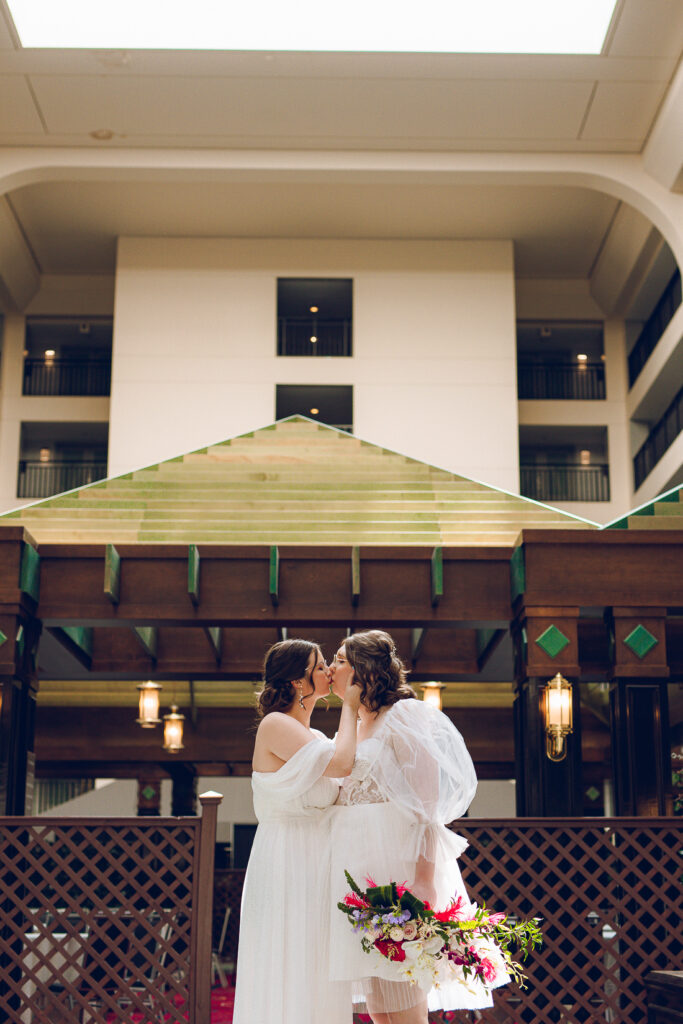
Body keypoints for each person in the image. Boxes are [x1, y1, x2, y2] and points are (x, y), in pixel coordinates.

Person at [329, 629, 504, 1024]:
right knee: (379, 1005)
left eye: (340, 659)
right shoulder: (354, 724)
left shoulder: (404, 715)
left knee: (406, 994)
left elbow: (428, 804)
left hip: (398, 865)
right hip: (356, 870)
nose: (331, 668)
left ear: (364, 669)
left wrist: (424, 878)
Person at [233, 638, 360, 1024]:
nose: (328, 671)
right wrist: (351, 707)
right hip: (286, 857)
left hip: (319, 860)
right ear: (296, 682)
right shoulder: (276, 725)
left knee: (317, 959)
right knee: (288, 954)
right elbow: (341, 766)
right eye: (319, 666)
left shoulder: (316, 739)